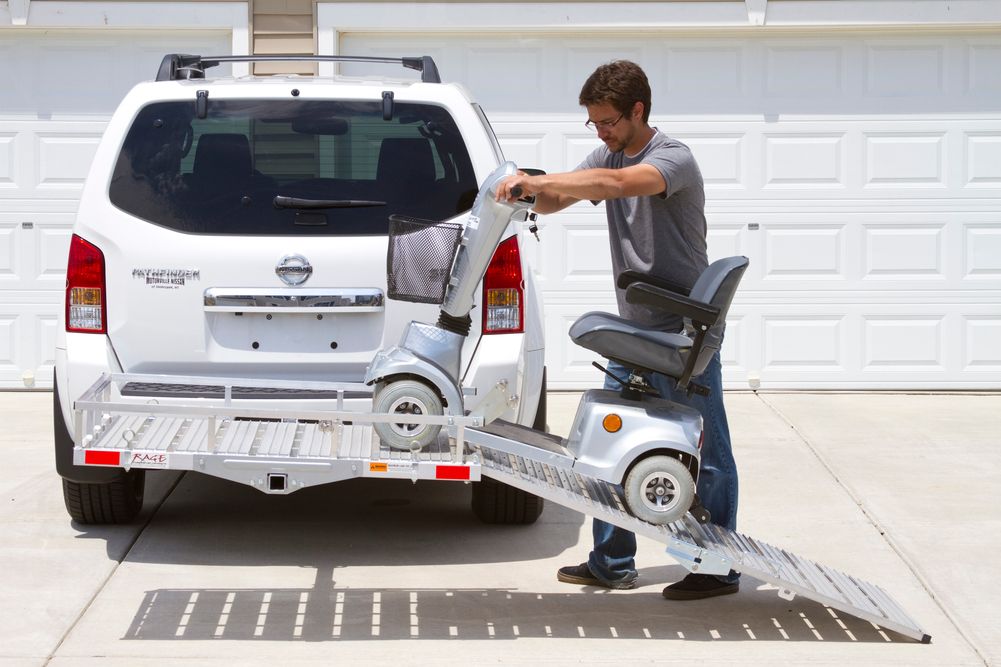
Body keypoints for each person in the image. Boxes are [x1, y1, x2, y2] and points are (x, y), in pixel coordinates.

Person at [496, 60, 739, 600]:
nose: (601, 133)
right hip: (637, 328)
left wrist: (539, 179)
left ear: (638, 111)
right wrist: (530, 193)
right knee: (613, 443)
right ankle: (612, 563)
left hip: (682, 334)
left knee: (709, 454)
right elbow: (566, 196)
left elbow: (614, 184)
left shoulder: (672, 160)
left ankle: (717, 565)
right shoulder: (608, 152)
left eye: (607, 122)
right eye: (594, 124)